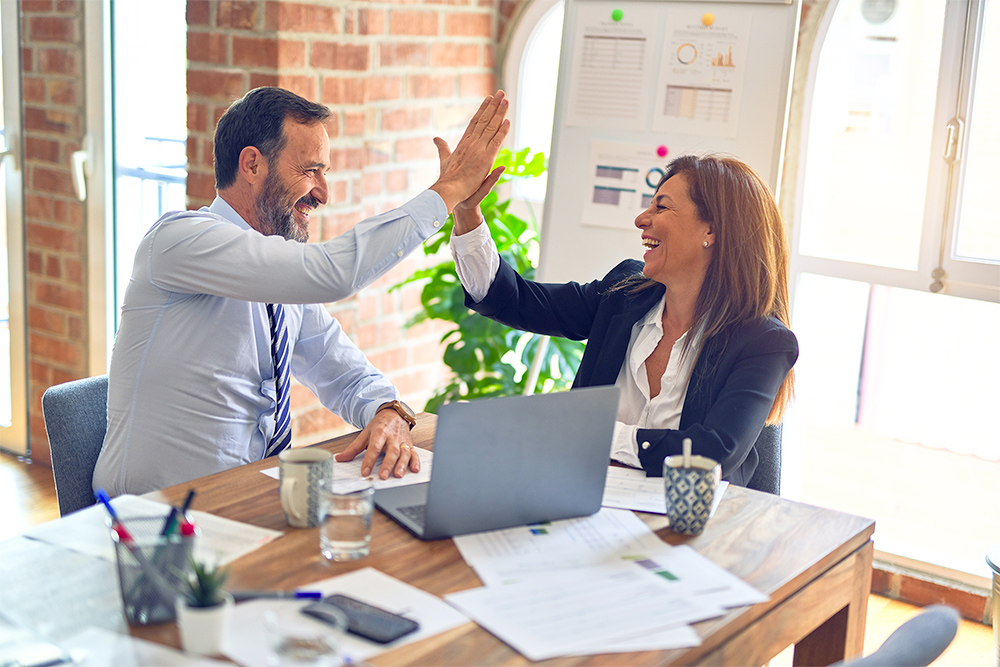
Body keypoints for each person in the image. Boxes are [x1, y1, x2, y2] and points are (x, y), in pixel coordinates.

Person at [93, 86, 509, 496]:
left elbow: (343, 371)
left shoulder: (279, 279)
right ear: (252, 165)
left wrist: (388, 410)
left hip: (247, 502)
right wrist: (449, 190)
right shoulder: (179, 241)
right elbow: (333, 273)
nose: (323, 193)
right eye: (311, 170)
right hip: (152, 521)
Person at [449, 154, 797, 486]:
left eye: (661, 206)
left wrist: (592, 433)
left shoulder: (763, 342)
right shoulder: (624, 294)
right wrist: (467, 213)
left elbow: (711, 455)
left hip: (691, 529)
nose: (641, 219)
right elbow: (515, 300)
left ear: (712, 231)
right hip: (583, 502)